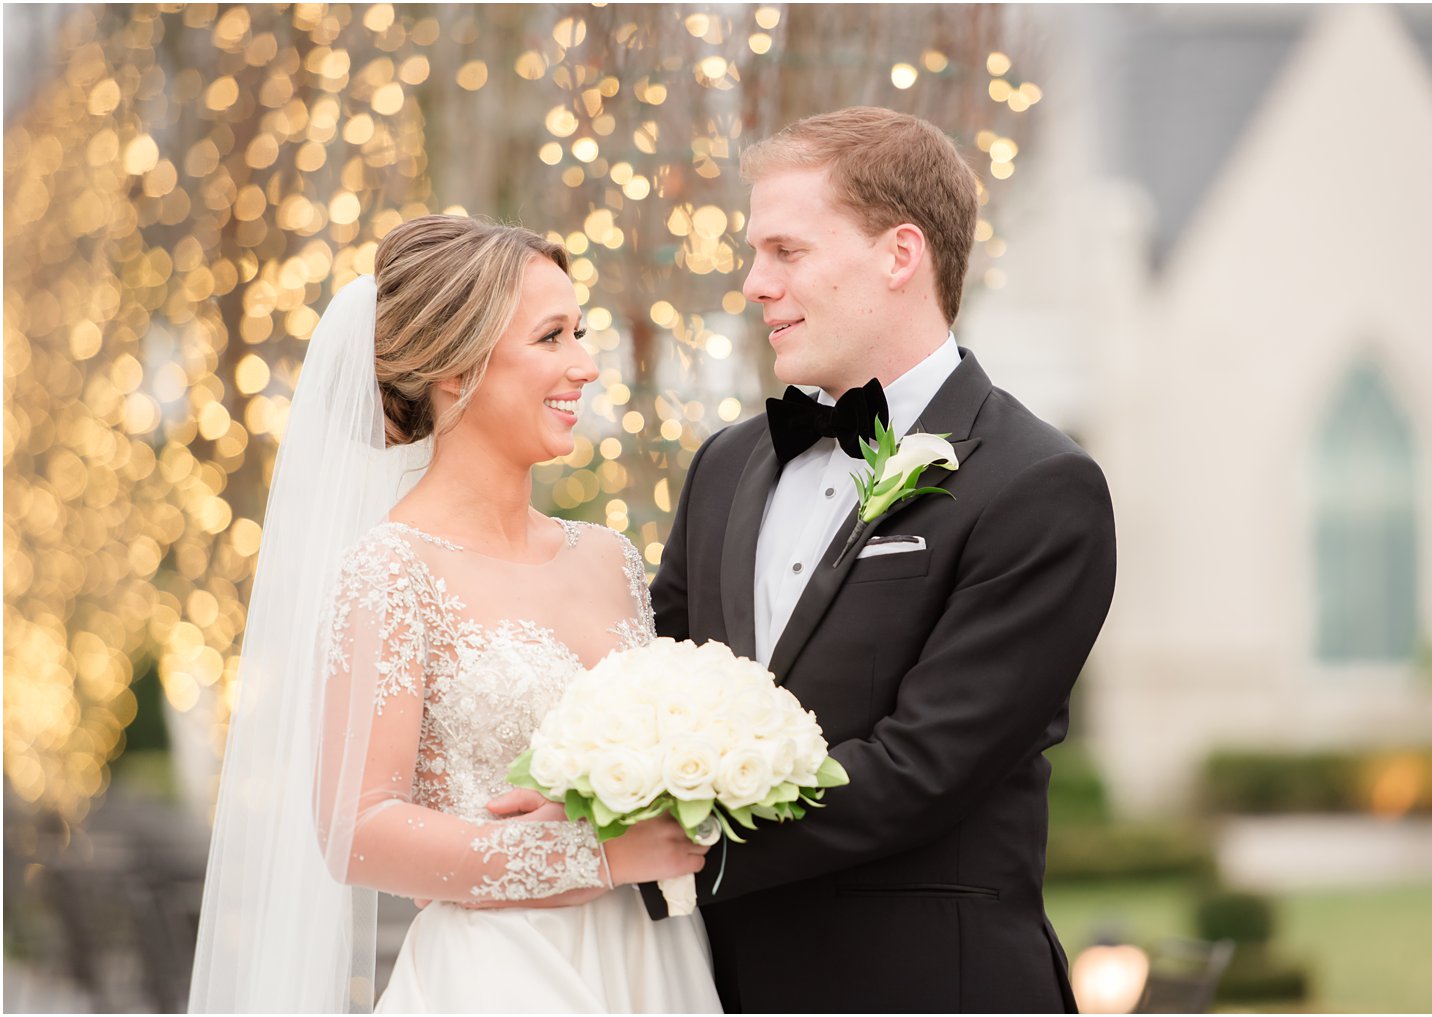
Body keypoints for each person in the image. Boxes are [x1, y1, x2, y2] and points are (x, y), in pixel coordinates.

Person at [642, 107, 1118, 1012]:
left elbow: (922, 768)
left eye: (787, 252)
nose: (753, 282)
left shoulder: (1039, 485)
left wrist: (666, 844)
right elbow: (652, 675)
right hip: (710, 987)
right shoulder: (724, 465)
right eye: (755, 253)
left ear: (900, 255)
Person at [189, 215, 721, 1012]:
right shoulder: (392, 568)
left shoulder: (609, 558)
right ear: (456, 366)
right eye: (551, 337)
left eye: (580, 332)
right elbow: (356, 829)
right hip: (502, 973)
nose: (584, 364)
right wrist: (590, 854)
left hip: (654, 963)